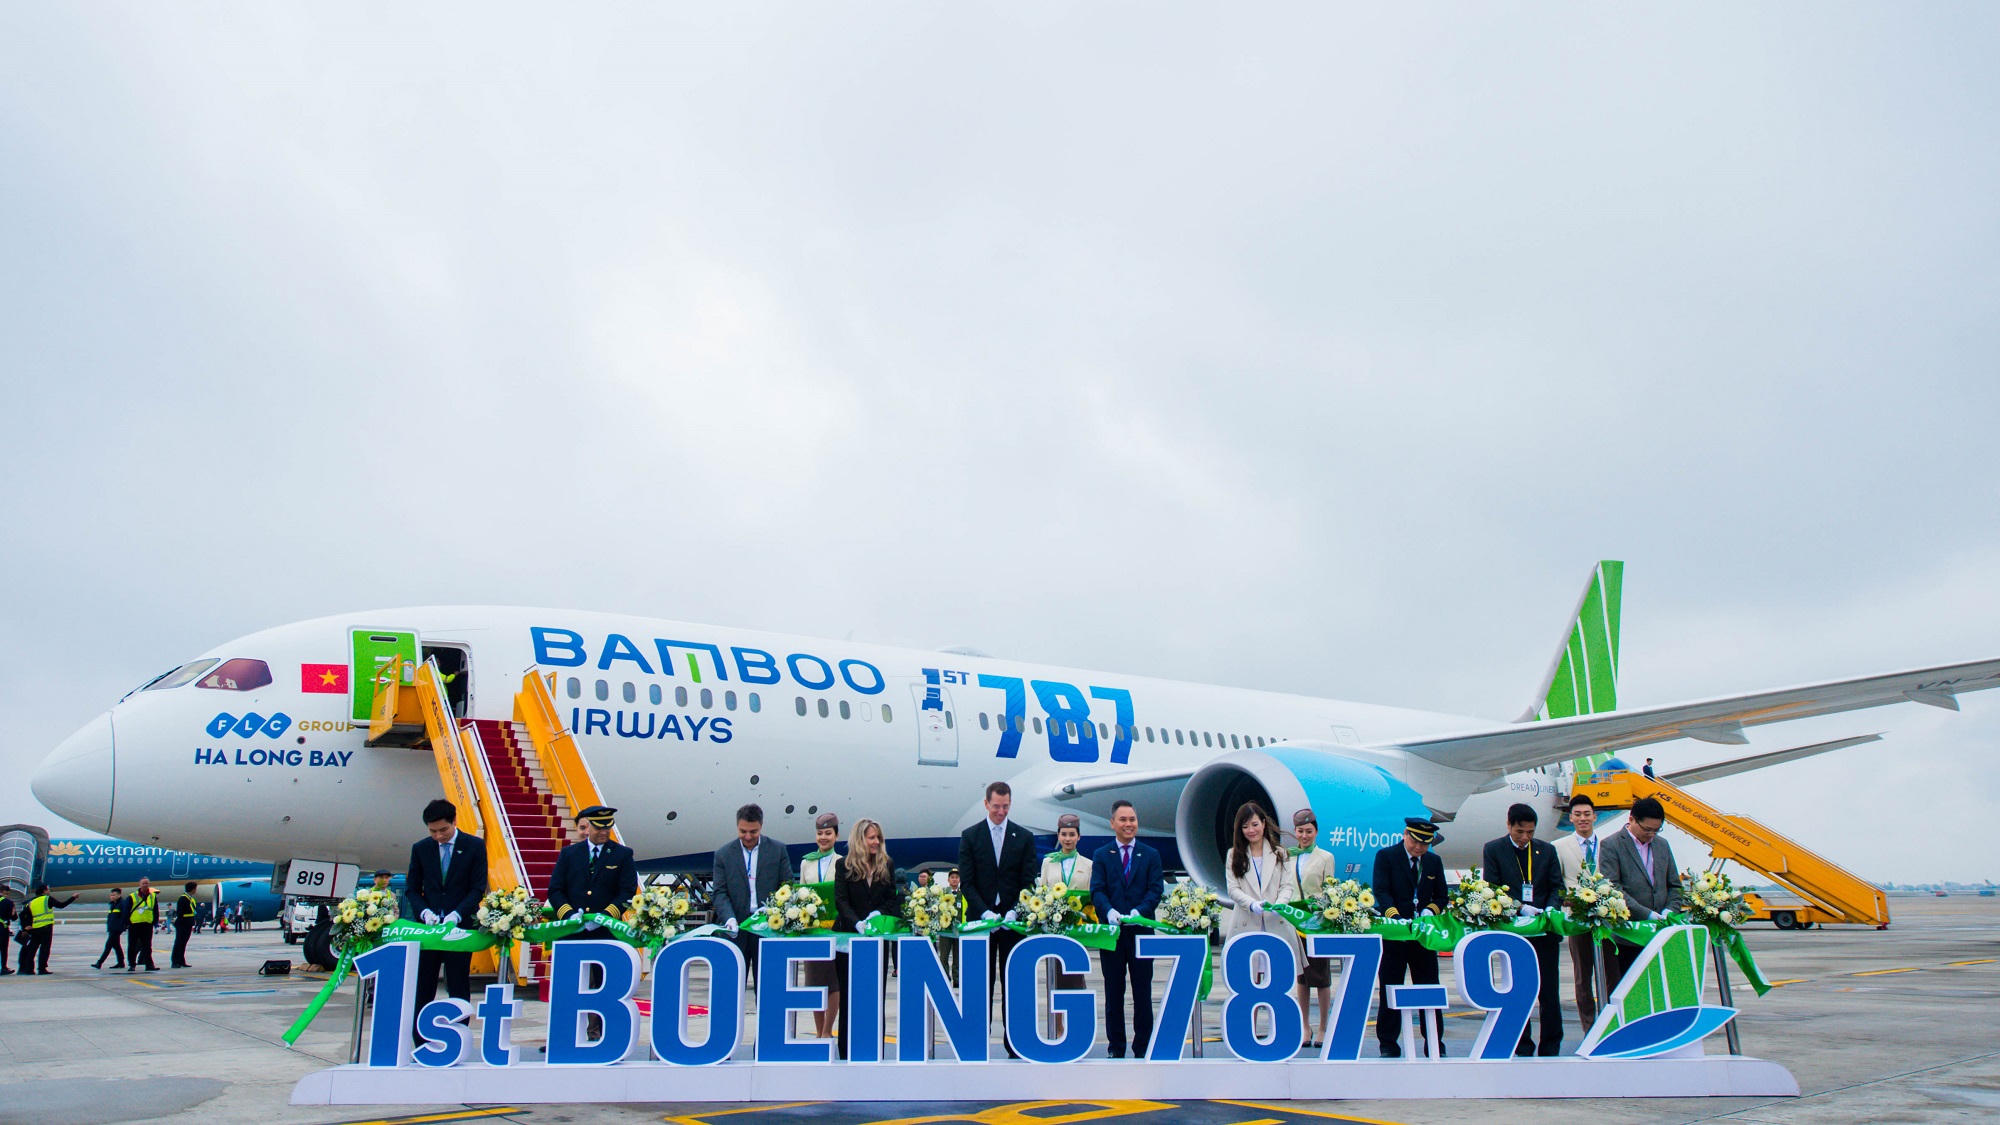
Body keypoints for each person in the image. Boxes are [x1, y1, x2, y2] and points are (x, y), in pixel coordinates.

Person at [956, 780, 1037, 1057]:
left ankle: (1015, 1043)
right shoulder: (971, 836)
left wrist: (1014, 909)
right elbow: (967, 882)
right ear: (986, 804)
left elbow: (1028, 881)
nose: (1001, 812)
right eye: (996, 807)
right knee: (980, 984)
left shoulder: (1023, 837)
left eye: (1005, 806)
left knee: (1013, 983)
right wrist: (985, 912)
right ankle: (978, 1040)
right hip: (982, 922)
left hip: (1013, 923)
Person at [545, 805, 638, 1043]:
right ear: (590, 827)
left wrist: (605, 916)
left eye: (608, 828)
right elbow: (555, 889)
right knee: (567, 985)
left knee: (603, 985)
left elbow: (626, 891)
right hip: (572, 932)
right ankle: (562, 1035)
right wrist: (568, 914)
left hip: (604, 931)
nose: (604, 833)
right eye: (599, 828)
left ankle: (600, 1035)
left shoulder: (622, 855)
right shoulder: (570, 854)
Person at [1481, 803, 1565, 1056]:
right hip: (1515, 933)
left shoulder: (1547, 850)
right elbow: (1492, 889)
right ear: (1509, 825)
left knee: (1549, 991)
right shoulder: (1494, 849)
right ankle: (1522, 1044)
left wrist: (1550, 908)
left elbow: (1557, 887)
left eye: (1530, 832)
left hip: (1544, 933)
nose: (1525, 837)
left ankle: (1551, 1046)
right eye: (1520, 832)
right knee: (1518, 990)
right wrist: (1520, 907)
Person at [406, 797, 488, 1039]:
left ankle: (458, 1036)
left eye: (443, 830)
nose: (438, 836)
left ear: (454, 822)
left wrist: (457, 913)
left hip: (459, 928)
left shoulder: (474, 846)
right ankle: (420, 1039)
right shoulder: (421, 848)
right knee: (423, 984)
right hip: (428, 930)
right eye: (433, 831)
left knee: (458, 983)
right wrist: (424, 912)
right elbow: (412, 889)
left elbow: (477, 888)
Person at [1088, 799, 1163, 1059]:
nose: (1128, 824)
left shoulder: (1150, 855)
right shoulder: (1102, 855)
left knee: (1142, 993)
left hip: (1141, 933)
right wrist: (1108, 911)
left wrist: (1140, 912)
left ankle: (1143, 1046)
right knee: (1113, 992)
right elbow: (1097, 890)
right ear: (1112, 823)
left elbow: (1156, 890)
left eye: (1132, 819)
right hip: (1113, 935)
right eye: (1123, 820)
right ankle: (1116, 1047)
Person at [1372, 818, 1448, 1057]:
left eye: (1424, 844)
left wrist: (1430, 911)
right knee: (1390, 987)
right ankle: (1388, 1043)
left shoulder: (1433, 861)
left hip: (1423, 936)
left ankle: (1434, 1042)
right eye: (1415, 841)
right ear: (1405, 835)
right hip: (1395, 934)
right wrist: (1394, 915)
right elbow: (1381, 890)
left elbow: (1442, 896)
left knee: (1429, 986)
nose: (1418, 847)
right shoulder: (1387, 856)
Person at [834, 817, 900, 1060]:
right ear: (859, 839)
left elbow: (892, 899)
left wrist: (878, 914)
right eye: (871, 838)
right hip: (849, 940)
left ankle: (875, 1050)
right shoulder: (843, 865)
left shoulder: (887, 864)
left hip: (877, 940)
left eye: (878, 838)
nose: (876, 842)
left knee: (875, 996)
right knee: (848, 997)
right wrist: (857, 923)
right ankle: (845, 1051)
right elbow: (841, 901)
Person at [1598, 796, 1682, 988]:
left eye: (1656, 830)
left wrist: (1670, 910)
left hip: (1661, 935)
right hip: (1629, 936)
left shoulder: (1662, 845)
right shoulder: (1611, 845)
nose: (1651, 834)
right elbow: (1613, 888)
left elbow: (1674, 885)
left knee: (1661, 989)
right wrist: (1647, 914)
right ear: (1632, 819)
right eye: (1647, 829)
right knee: (1632, 990)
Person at [710, 803, 793, 986]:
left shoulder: (777, 850)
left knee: (767, 986)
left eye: (753, 832)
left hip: (767, 928)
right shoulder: (723, 854)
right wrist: (729, 918)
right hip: (736, 929)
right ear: (737, 827)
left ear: (761, 827)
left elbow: (787, 886)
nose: (748, 837)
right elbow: (720, 892)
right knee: (731, 985)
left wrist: (772, 910)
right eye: (743, 831)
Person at [1553, 793, 1604, 1028]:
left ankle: (1611, 1022)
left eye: (1587, 814)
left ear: (1594, 816)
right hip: (1578, 920)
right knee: (1583, 977)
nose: (1583, 818)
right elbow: (1558, 884)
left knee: (1611, 974)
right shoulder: (1560, 847)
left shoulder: (1608, 845)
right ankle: (1589, 1025)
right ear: (1571, 818)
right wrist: (1571, 900)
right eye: (1577, 814)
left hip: (1606, 920)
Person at [1040, 814, 1094, 1036]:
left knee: (1075, 977)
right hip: (1054, 930)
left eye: (1072, 834)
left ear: (1079, 837)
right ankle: (1057, 1026)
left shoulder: (1088, 865)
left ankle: (1078, 1026)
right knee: (1054, 978)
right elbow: (1043, 891)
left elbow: (1091, 896)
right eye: (1064, 834)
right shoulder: (1048, 862)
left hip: (1076, 930)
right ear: (1058, 836)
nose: (1068, 838)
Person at [1288, 808, 1338, 1047]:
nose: (1304, 836)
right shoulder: (1288, 856)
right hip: (1295, 922)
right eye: (1300, 831)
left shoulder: (1325, 857)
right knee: (1302, 976)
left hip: (1316, 922)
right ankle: (1304, 1026)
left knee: (1321, 975)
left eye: (1308, 831)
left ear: (1316, 832)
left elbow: (1329, 890)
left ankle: (1323, 1027)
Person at [798, 813, 844, 1040]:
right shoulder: (806, 862)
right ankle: (819, 1031)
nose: (823, 837)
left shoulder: (842, 862)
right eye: (819, 833)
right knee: (814, 981)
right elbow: (801, 892)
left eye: (828, 833)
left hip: (835, 928)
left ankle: (828, 1029)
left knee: (833, 982)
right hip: (813, 930)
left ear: (836, 836)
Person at [1225, 801, 1298, 938]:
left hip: (1276, 922)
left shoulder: (1280, 853)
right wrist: (1251, 904)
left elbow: (1287, 886)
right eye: (1245, 827)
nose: (1251, 830)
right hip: (1246, 922)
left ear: (1263, 824)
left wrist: (1280, 904)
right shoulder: (1233, 855)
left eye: (1255, 824)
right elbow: (1233, 889)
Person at [20, 883, 80, 974]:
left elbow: (22, 915)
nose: (49, 891)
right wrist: (73, 898)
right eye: (48, 889)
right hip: (46, 928)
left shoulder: (31, 902)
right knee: (45, 949)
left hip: (35, 928)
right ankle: (42, 969)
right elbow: (61, 905)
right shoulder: (47, 899)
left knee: (32, 949)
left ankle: (29, 969)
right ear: (44, 891)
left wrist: (25, 926)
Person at [125, 878, 160, 971]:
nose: (145, 885)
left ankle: (149, 965)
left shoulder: (152, 896)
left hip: (147, 924)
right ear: (139, 884)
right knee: (132, 945)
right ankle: (132, 964)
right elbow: (126, 910)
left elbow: (155, 910)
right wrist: (127, 923)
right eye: (143, 883)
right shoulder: (132, 896)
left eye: (147, 883)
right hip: (135, 924)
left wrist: (155, 922)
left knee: (147, 946)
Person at [938, 869, 964, 983]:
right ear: (948, 880)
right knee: (944, 956)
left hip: (959, 930)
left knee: (957, 957)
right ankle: (945, 978)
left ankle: (957, 979)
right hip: (946, 930)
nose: (954, 879)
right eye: (952, 877)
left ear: (959, 880)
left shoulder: (963, 894)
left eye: (956, 877)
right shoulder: (943, 893)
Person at [94, 889, 127, 970]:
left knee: (108, 946)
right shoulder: (113, 904)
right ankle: (121, 963)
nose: (112, 897)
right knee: (116, 946)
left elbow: (124, 916)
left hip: (117, 929)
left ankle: (99, 963)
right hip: (112, 928)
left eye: (114, 895)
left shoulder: (122, 904)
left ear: (119, 895)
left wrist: (123, 926)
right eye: (111, 895)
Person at [171, 882, 199, 968]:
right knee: (179, 942)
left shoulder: (190, 898)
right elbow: (180, 912)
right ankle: (175, 961)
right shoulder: (183, 898)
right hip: (183, 923)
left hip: (188, 923)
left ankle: (181, 961)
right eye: (195, 888)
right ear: (192, 889)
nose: (196, 890)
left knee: (183, 943)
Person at [0, 894, 15, 975]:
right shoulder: (8, 902)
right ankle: (3, 968)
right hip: (2, 928)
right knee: (3, 949)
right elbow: (13, 917)